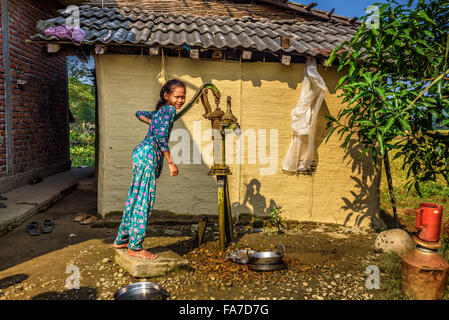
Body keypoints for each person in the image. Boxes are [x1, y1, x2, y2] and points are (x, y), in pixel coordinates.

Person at [113, 79, 186, 260]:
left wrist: (152, 123)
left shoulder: (160, 112)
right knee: (143, 201)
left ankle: (122, 239)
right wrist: (171, 162)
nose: (180, 101)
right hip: (149, 155)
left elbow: (139, 113)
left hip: (140, 153)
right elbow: (161, 139)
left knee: (135, 197)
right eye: (177, 96)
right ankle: (135, 247)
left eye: (183, 97)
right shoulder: (168, 111)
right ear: (166, 96)